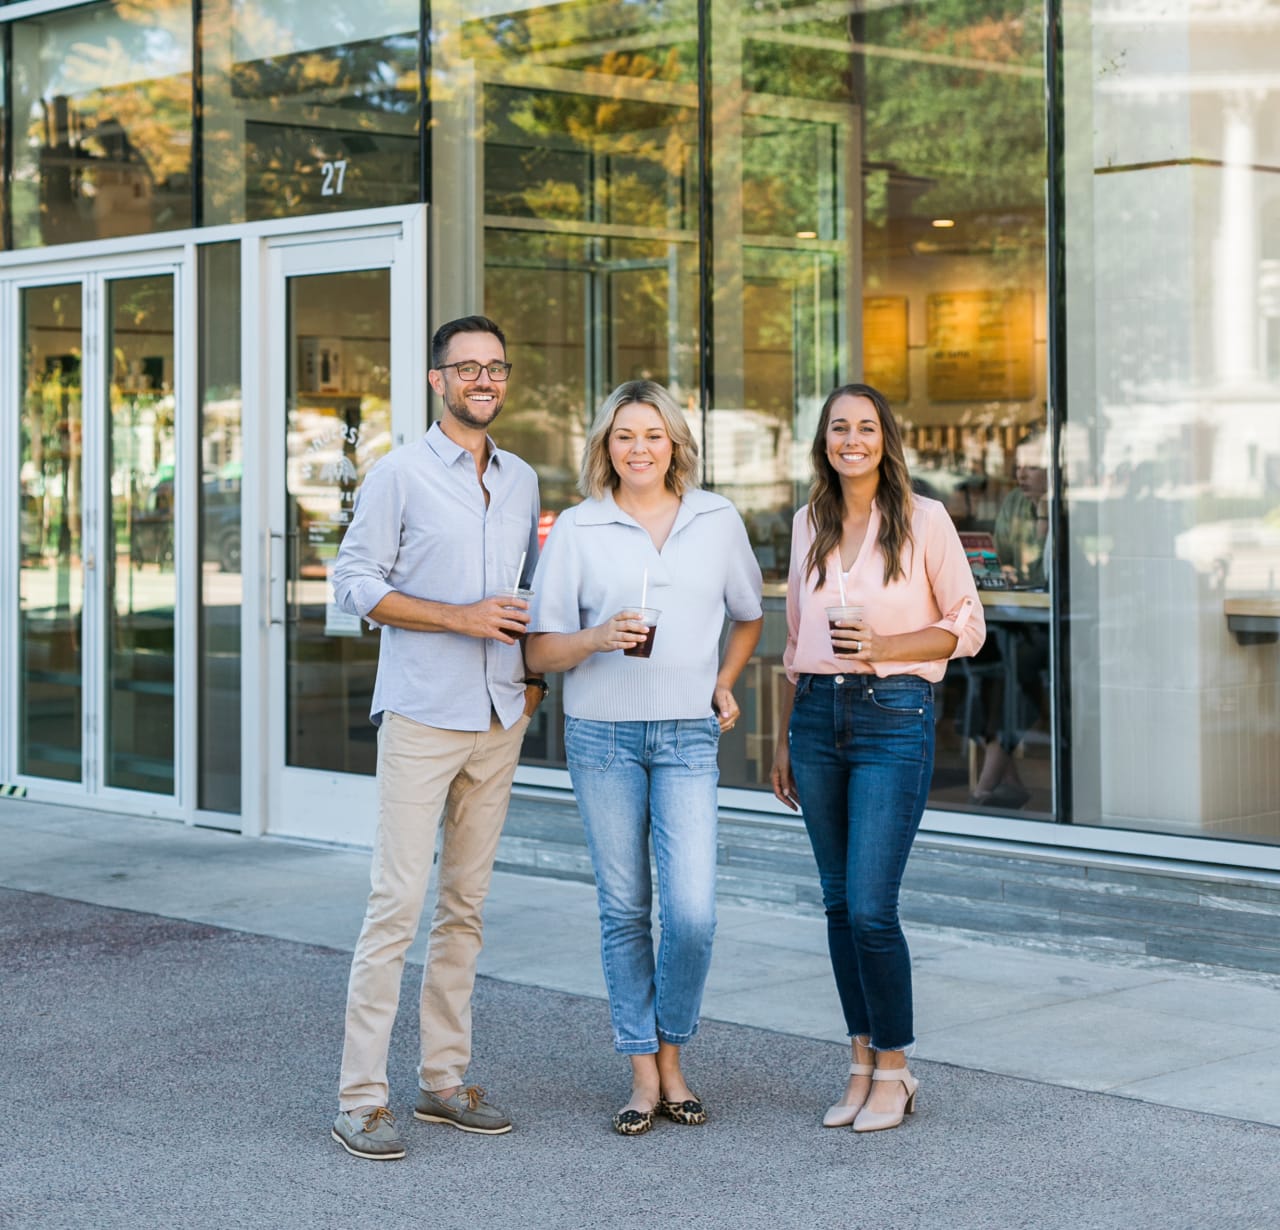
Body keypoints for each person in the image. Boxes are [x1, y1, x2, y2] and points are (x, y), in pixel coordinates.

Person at [328, 315, 544, 1160]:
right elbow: (352, 580)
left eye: (495, 367)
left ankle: (443, 1082)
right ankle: (360, 1098)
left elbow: (525, 590)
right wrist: (459, 619)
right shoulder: (400, 476)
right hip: (423, 714)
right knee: (397, 908)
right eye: (467, 368)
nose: (483, 380)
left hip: (499, 718)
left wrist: (529, 679)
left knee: (466, 909)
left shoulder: (522, 478)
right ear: (437, 381)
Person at [525, 380, 763, 1136]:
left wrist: (722, 684)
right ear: (605, 445)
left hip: (688, 734)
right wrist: (597, 637)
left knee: (691, 913)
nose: (638, 449)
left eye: (652, 435)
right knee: (625, 909)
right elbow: (540, 647)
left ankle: (672, 1048)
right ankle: (644, 1070)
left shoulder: (716, 518)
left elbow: (750, 618)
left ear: (675, 444)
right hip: (602, 734)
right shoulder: (579, 528)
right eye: (624, 435)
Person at [769, 383, 984, 1133]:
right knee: (835, 903)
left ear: (886, 439)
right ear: (823, 440)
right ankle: (859, 1061)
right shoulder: (808, 522)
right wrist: (784, 738)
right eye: (838, 428)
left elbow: (967, 625)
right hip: (818, 714)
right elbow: (795, 640)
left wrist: (889, 648)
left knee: (870, 905)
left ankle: (896, 1066)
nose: (851, 439)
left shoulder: (924, 519)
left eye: (865, 427)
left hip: (895, 715)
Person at [971, 430, 1050, 808]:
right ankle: (1006, 773)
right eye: (1019, 466)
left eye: (1032, 466)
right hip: (1011, 615)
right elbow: (1001, 553)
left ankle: (988, 779)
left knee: (1018, 673)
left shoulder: (1065, 504)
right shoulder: (1014, 503)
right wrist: (1004, 569)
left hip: (1052, 622)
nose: (1022, 474)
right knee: (980, 665)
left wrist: (1046, 517)